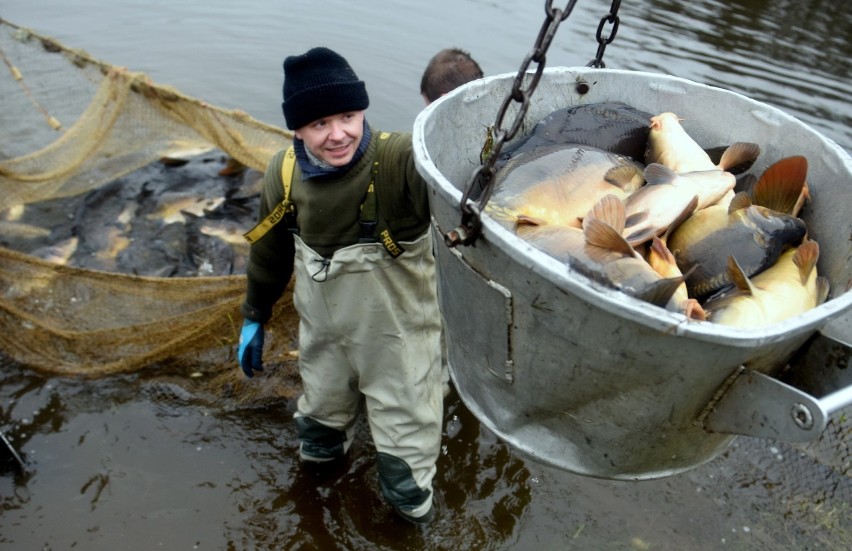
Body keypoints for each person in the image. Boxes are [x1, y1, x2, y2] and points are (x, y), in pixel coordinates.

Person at [236, 46, 443, 525]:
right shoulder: (283, 172)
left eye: (348, 116)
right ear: (297, 129)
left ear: (363, 109)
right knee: (317, 435)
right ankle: (316, 509)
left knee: (404, 468)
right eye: (319, 124)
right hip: (324, 337)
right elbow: (268, 253)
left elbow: (466, 183)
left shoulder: (400, 160)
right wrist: (254, 315)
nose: (338, 135)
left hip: (400, 341)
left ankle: (409, 524)